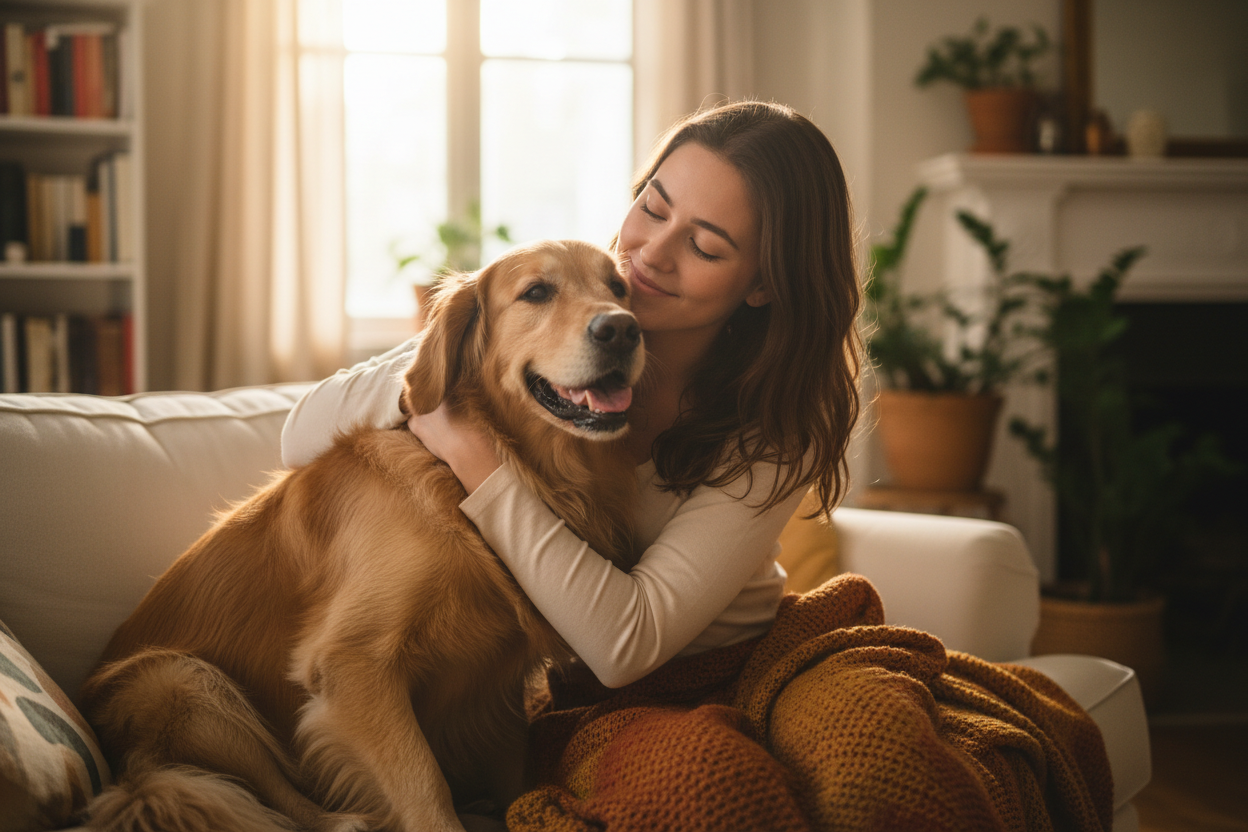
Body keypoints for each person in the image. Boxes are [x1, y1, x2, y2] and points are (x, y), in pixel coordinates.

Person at [282, 100, 862, 690]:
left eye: (705, 247)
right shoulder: (561, 312)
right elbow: (298, 432)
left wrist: (473, 457)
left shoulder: (777, 434)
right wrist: (448, 365)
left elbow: (626, 644)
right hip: (554, 685)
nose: (652, 256)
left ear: (764, 282)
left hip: (714, 679)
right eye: (653, 209)